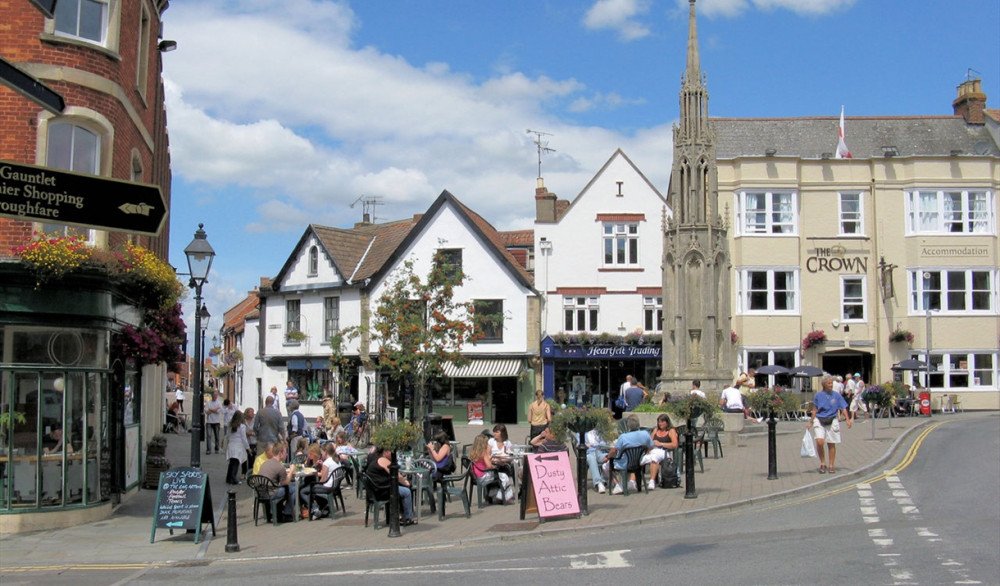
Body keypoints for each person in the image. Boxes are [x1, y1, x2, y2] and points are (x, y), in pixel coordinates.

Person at [808, 374, 852, 474]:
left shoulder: (836, 395)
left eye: (831, 383)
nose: (830, 385)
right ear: (823, 384)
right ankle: (823, 463)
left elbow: (843, 407)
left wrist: (848, 420)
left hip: (832, 419)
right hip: (820, 419)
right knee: (819, 441)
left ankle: (831, 465)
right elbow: (815, 409)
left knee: (831, 443)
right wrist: (811, 422)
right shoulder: (818, 395)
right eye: (828, 383)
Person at [365, 445, 415, 526]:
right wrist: (406, 483)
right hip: (382, 491)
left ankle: (399, 515)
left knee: (401, 488)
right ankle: (407, 517)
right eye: (389, 451)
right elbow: (397, 476)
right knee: (407, 492)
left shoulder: (376, 460)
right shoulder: (383, 460)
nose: (392, 453)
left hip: (374, 491)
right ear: (384, 452)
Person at [602, 415, 652, 494]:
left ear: (628, 426)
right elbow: (650, 446)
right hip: (639, 462)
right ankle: (632, 483)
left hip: (625, 464)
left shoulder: (623, 437)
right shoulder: (645, 434)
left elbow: (614, 450)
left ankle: (618, 485)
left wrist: (607, 457)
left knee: (605, 466)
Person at [468, 434, 514, 503]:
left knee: (499, 476)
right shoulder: (483, 453)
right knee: (504, 477)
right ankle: (501, 496)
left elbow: (482, 462)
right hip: (483, 476)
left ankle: (494, 493)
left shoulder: (473, 452)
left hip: (475, 476)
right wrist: (494, 467)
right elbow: (489, 466)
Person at [301, 442, 342, 520]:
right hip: (335, 486)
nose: (321, 453)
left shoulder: (327, 462)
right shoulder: (337, 461)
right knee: (309, 487)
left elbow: (323, 479)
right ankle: (322, 506)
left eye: (322, 452)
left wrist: (317, 483)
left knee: (303, 491)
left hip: (327, 487)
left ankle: (315, 509)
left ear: (326, 452)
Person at [258, 442, 297, 522]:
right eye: (285, 452)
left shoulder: (265, 463)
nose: (286, 455)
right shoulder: (279, 467)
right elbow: (286, 482)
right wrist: (291, 471)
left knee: (286, 488)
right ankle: (287, 513)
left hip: (261, 492)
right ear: (280, 453)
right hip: (272, 493)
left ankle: (278, 512)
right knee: (294, 489)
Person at [642, 414, 678, 490]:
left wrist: (661, 444)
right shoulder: (656, 430)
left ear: (667, 422)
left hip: (664, 451)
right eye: (659, 422)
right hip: (654, 450)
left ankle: (652, 481)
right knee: (643, 459)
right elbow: (649, 442)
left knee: (654, 458)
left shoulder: (671, 431)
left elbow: (674, 444)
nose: (660, 424)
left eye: (662, 422)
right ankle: (633, 481)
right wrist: (649, 448)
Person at [225, 410, 250, 485]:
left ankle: (228, 478)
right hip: (238, 446)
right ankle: (233, 479)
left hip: (231, 445)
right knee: (236, 463)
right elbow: (244, 438)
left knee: (231, 462)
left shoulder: (230, 425)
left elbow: (228, 435)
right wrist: (247, 447)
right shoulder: (242, 426)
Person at [585, 426, 609, 493]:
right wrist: (588, 445)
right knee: (592, 459)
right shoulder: (582, 432)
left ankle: (603, 480)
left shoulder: (599, 430)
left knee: (608, 457)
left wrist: (594, 444)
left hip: (600, 451)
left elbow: (605, 443)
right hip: (589, 453)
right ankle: (598, 483)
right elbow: (580, 444)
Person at [204, 390, 223, 454]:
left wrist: (211, 410)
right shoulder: (209, 403)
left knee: (217, 436)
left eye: (216, 395)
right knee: (209, 436)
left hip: (216, 422)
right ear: (212, 396)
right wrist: (214, 410)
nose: (215, 396)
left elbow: (218, 411)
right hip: (209, 422)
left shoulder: (219, 403)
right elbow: (206, 412)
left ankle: (217, 448)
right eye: (214, 395)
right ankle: (208, 449)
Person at [243, 407, 257, 476]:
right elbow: (241, 430)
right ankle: (244, 472)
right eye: (251, 412)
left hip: (253, 442)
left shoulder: (255, 421)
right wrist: (246, 432)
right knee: (244, 458)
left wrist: (251, 433)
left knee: (252, 457)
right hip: (245, 442)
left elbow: (257, 431)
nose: (252, 413)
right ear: (247, 413)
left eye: (253, 412)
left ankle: (250, 472)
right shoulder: (243, 421)